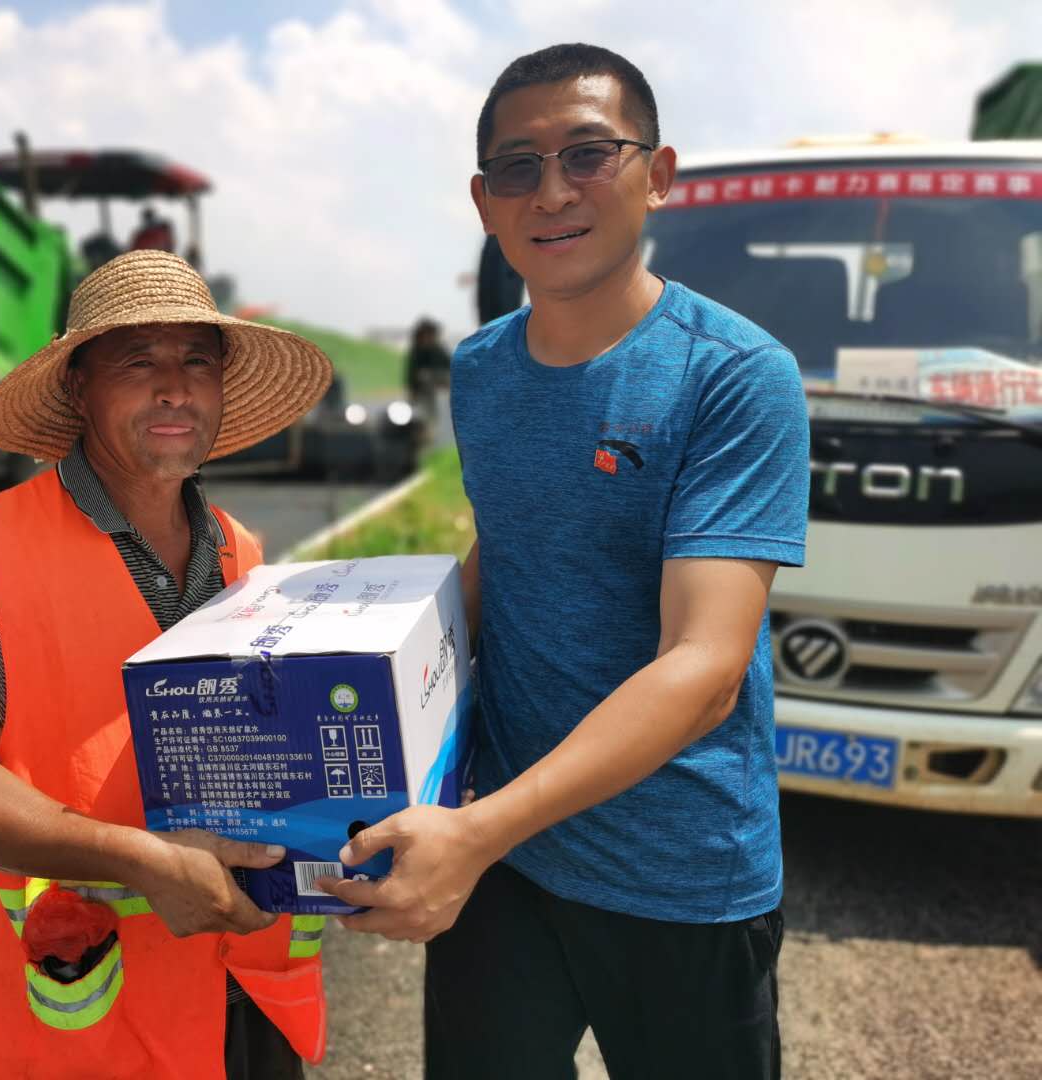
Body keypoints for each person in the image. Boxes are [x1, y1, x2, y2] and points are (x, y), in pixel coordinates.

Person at [316, 43, 810, 1080]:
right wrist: (351, 663)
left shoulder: (733, 375)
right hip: (506, 864)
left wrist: (477, 833)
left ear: (657, 174)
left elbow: (706, 667)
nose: (550, 193)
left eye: (588, 154)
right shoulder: (482, 368)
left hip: (678, 875)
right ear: (484, 203)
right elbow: (509, 549)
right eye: (517, 168)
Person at [0, 250, 335, 1079]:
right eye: (138, 361)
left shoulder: (240, 551)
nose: (175, 388)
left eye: (197, 361)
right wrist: (139, 859)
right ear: (79, 388)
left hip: (251, 996)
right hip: (99, 1026)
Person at [403, 317, 451, 416]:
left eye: (430, 335)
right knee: (424, 376)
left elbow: (449, 365)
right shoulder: (417, 351)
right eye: (426, 335)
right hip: (425, 388)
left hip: (441, 383)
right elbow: (411, 373)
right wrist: (413, 392)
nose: (428, 338)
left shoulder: (438, 349)